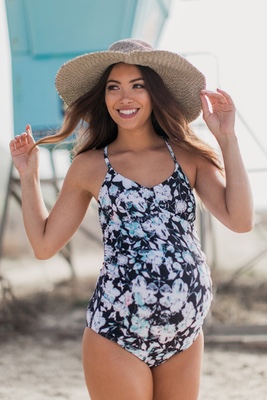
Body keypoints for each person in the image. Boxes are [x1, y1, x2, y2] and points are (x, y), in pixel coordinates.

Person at [9, 39, 254, 400]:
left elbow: (241, 220)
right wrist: (29, 176)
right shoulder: (90, 166)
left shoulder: (187, 156)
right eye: (114, 87)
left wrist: (227, 138)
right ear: (104, 98)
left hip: (183, 333)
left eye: (137, 85)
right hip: (117, 331)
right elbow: (45, 245)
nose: (125, 97)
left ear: (155, 94)